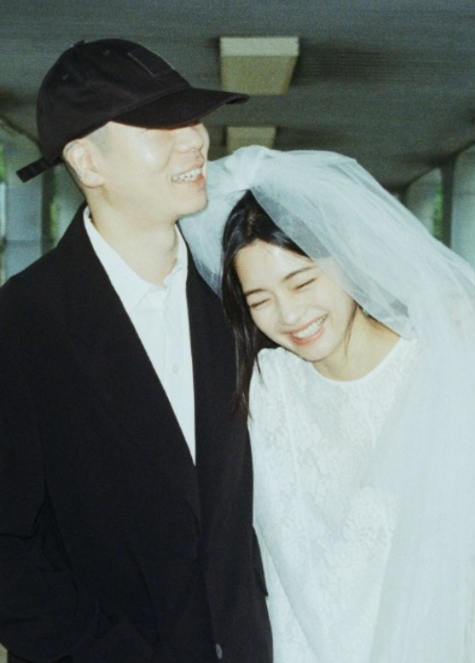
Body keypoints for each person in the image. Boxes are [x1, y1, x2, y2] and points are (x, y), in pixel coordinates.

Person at [0, 41, 272, 663]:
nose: (196, 140)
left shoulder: (237, 294)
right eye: (160, 126)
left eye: (193, 120)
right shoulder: (24, 323)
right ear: (87, 162)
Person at [180, 145, 475, 663]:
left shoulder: (441, 375)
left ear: (349, 260)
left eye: (302, 282)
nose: (289, 315)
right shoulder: (259, 388)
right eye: (259, 300)